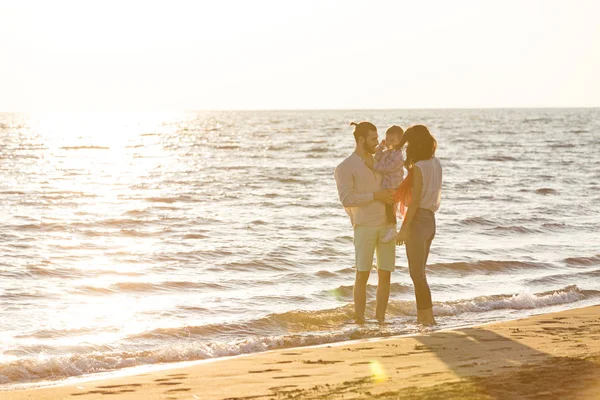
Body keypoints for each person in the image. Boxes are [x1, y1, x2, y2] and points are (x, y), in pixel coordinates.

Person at [334, 121, 395, 323]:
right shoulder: (345, 167)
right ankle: (359, 320)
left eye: (377, 138)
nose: (377, 142)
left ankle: (380, 320)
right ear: (361, 140)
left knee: (385, 274)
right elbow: (347, 199)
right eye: (373, 139)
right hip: (364, 226)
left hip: (387, 224)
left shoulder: (381, 161)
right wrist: (375, 195)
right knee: (362, 274)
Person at [395, 125, 442, 326]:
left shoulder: (419, 168)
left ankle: (426, 318)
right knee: (420, 273)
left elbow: (414, 203)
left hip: (418, 221)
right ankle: (425, 317)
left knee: (417, 274)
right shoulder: (435, 163)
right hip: (431, 221)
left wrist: (403, 229)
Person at [373, 125, 407, 243]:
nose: (388, 142)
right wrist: (380, 148)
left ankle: (392, 229)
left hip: (394, 185)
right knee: (387, 207)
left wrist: (372, 166)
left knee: (390, 207)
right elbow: (377, 158)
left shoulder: (399, 155)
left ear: (400, 141)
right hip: (386, 184)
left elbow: (387, 168)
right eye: (387, 139)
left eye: (392, 140)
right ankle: (389, 228)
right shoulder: (387, 152)